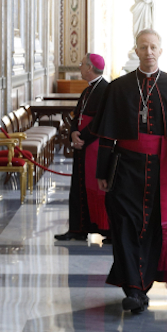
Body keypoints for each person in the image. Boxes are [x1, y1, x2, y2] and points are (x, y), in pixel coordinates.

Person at [89, 29, 167, 314]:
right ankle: (133, 289)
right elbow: (107, 136)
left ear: (161, 50)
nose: (149, 52)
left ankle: (141, 288)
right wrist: (102, 172)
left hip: (159, 169)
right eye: (144, 47)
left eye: (154, 47)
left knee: (151, 230)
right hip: (124, 167)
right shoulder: (119, 88)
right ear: (136, 51)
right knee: (125, 227)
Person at [55, 53, 110, 242]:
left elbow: (102, 120)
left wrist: (82, 137)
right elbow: (76, 114)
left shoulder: (105, 89)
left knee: (97, 188)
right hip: (82, 145)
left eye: (81, 64)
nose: (79, 67)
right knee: (78, 187)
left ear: (89, 68)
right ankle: (77, 229)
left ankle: (104, 229)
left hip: (94, 146)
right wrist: (72, 133)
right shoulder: (87, 90)